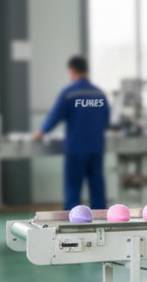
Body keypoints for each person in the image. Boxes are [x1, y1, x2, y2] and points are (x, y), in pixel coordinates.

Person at [33, 56, 110, 210]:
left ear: (72, 70)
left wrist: (41, 131)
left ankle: (72, 219)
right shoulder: (99, 94)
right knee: (97, 187)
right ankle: (101, 218)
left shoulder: (70, 93)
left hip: (76, 148)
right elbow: (106, 120)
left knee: (73, 189)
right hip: (96, 147)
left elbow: (55, 115)